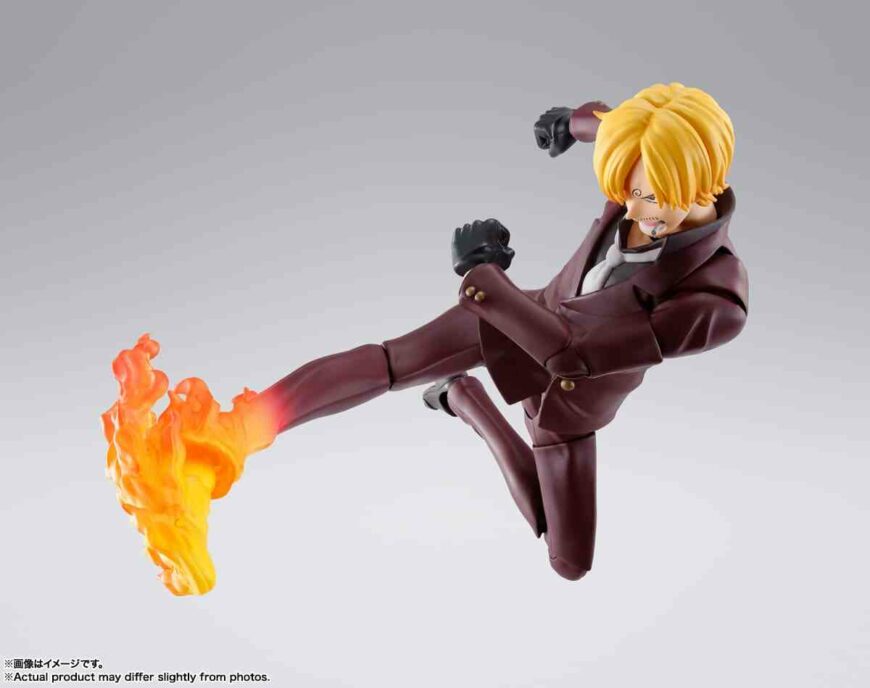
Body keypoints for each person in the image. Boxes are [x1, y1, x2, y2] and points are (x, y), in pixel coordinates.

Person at [256, 82, 748, 580]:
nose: (634, 209)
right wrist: (569, 122)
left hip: (566, 401)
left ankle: (466, 399)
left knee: (569, 562)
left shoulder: (715, 301)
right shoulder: (646, 153)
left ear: (700, 181)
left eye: (651, 197)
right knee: (392, 362)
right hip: (522, 315)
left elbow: (574, 354)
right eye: (627, 192)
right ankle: (248, 422)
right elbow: (608, 123)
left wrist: (484, 275)